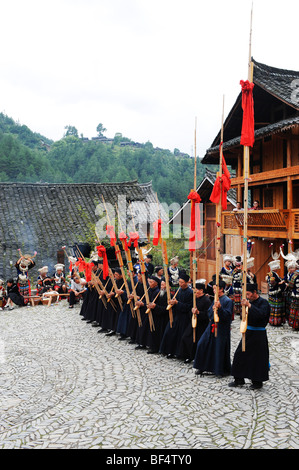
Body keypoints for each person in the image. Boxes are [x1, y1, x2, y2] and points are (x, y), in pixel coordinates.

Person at [229, 283, 270, 390]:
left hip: (259, 334)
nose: (247, 296)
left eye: (249, 294)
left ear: (255, 293)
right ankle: (239, 378)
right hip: (248, 332)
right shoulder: (248, 302)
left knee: (257, 358)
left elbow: (262, 315)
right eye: (246, 294)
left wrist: (250, 306)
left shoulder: (264, 303)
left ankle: (257, 382)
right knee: (239, 354)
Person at [193, 279, 233, 377]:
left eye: (216, 289)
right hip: (211, 326)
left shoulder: (227, 301)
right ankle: (202, 366)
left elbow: (228, 316)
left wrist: (220, 309)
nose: (214, 291)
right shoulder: (215, 299)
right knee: (202, 344)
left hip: (221, 328)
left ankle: (219, 370)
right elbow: (209, 313)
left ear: (221, 289)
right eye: (213, 289)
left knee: (218, 348)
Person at [159, 272, 193, 359]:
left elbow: (188, 307)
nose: (180, 284)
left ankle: (181, 354)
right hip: (176, 315)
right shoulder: (179, 290)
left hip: (184, 317)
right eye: (179, 282)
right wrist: (172, 303)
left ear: (187, 282)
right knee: (171, 333)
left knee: (181, 336)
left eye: (182, 282)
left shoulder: (190, 292)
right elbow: (175, 301)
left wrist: (177, 303)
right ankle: (170, 351)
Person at [179, 279, 211, 363]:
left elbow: (208, 314)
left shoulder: (206, 300)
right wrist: (192, 312)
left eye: (196, 291)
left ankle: (197, 357)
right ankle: (188, 356)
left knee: (197, 341)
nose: (194, 293)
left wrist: (198, 312)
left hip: (202, 325)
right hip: (193, 322)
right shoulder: (195, 299)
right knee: (186, 337)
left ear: (201, 291)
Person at [266, 259, 285, 326]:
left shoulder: (272, 274)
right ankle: (275, 321)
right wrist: (280, 283)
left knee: (273, 307)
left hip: (273, 292)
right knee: (275, 307)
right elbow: (272, 283)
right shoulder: (272, 274)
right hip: (276, 292)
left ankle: (273, 320)